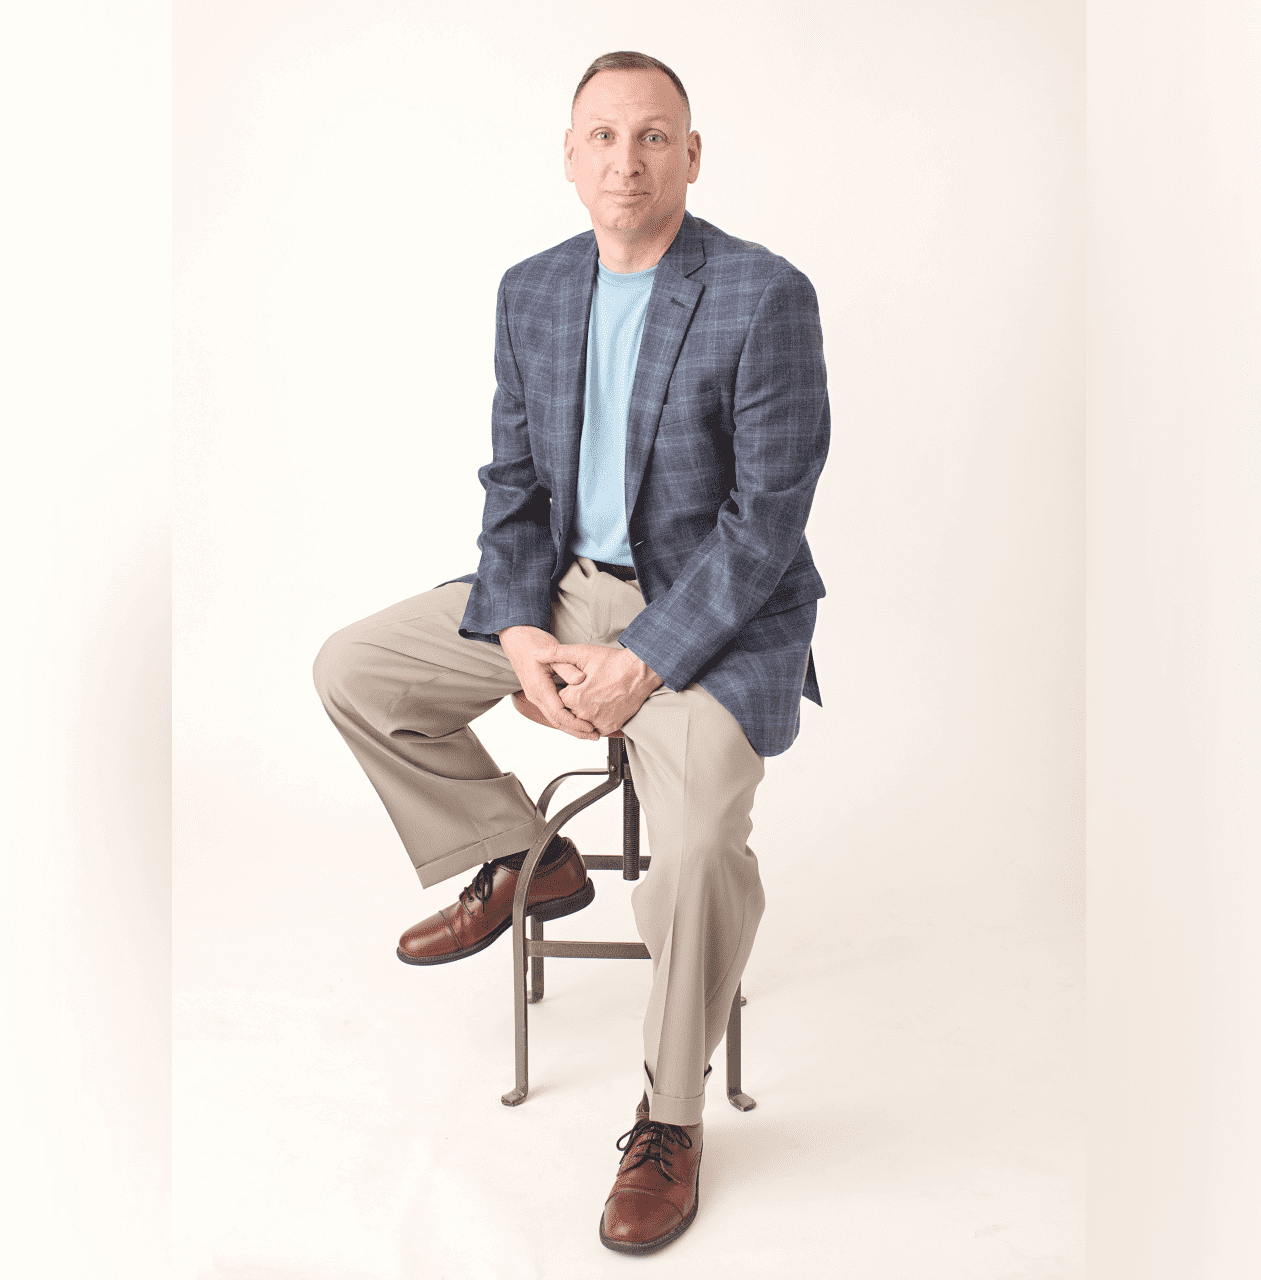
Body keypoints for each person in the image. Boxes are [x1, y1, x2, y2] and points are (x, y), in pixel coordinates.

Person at [313, 50, 829, 1255]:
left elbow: (766, 524)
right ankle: (519, 855)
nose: (625, 159)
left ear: (690, 157)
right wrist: (522, 627)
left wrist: (642, 657)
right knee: (356, 669)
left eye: (653, 136)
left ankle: (670, 1117)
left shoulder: (762, 293)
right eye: (601, 136)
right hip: (559, 597)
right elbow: (510, 482)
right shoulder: (530, 290)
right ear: (567, 153)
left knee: (699, 836)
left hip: (712, 619)